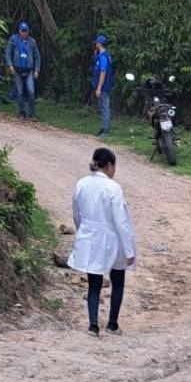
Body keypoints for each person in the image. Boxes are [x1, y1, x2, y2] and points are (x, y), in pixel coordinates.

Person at [67, 147, 137, 336]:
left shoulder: (81, 184)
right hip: (112, 238)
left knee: (94, 283)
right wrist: (129, 250)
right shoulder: (113, 188)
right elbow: (121, 222)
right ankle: (112, 323)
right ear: (109, 165)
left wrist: (83, 231)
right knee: (118, 280)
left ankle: (93, 325)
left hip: (90, 237)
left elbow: (76, 213)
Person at [4, 21, 41, 120]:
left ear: (28, 31)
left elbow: (37, 56)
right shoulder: (14, 39)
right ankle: (21, 112)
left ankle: (32, 114)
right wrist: (10, 65)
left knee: (31, 91)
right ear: (19, 31)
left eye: (26, 31)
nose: (24, 33)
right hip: (17, 70)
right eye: (22, 31)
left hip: (29, 70)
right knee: (20, 92)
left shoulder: (32, 42)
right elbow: (8, 52)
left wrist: (37, 70)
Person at [91, 34, 114, 136]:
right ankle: (104, 127)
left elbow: (103, 73)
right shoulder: (102, 56)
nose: (96, 44)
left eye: (97, 43)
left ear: (99, 44)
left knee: (105, 108)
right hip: (102, 87)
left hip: (103, 87)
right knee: (103, 108)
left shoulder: (103, 57)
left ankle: (105, 130)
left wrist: (99, 88)